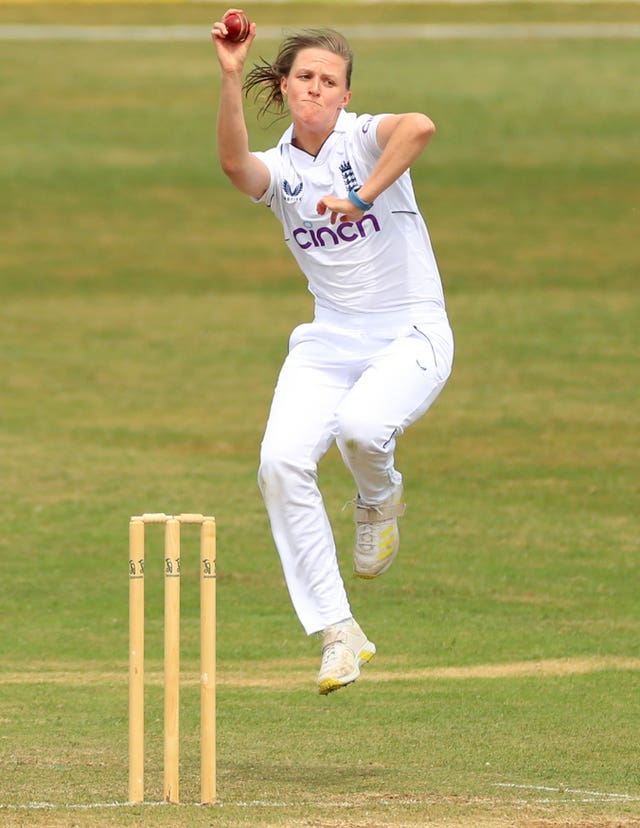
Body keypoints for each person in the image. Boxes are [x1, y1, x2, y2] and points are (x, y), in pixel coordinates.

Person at [211, 12, 454, 695]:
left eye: (330, 81)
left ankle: (379, 498)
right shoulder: (282, 170)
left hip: (411, 330)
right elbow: (234, 164)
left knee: (359, 428)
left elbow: (421, 127)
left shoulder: (362, 137)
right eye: (305, 78)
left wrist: (362, 195)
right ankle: (338, 633)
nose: (316, 89)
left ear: (345, 95)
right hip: (329, 339)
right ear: (285, 87)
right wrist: (231, 75)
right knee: (280, 464)